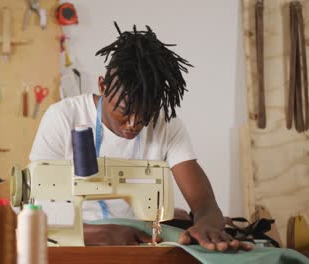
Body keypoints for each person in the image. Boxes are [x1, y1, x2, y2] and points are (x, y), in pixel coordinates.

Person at [30, 22, 252, 252]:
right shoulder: (64, 118)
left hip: (137, 236)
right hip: (72, 237)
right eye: (125, 112)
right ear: (103, 86)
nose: (135, 124)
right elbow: (36, 207)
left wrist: (206, 224)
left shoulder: (166, 125)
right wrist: (92, 232)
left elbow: (204, 202)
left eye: (147, 113)